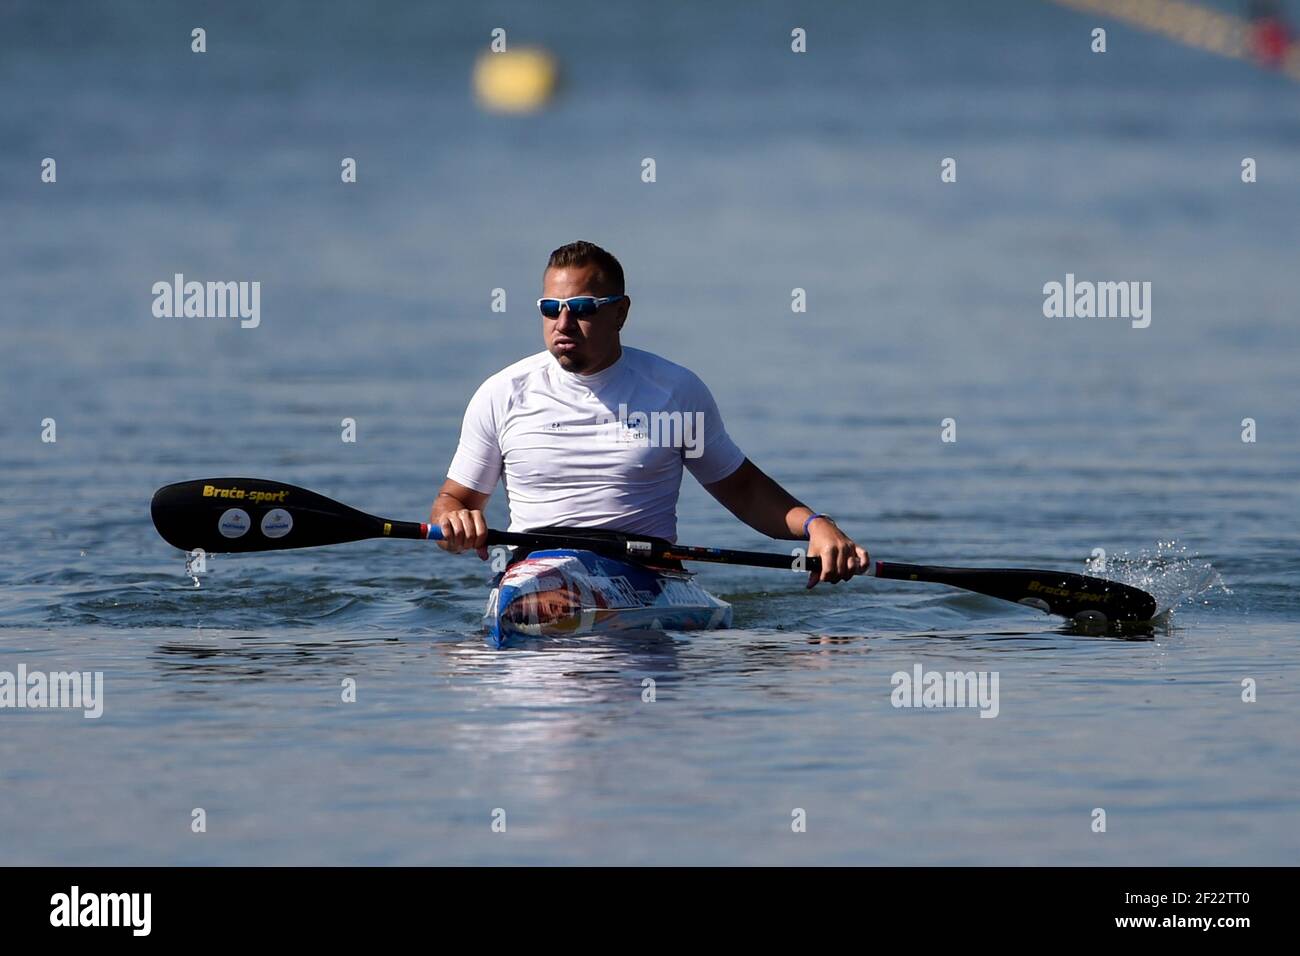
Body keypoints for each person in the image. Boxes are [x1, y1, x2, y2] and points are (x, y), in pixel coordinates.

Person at [430, 240, 868, 588]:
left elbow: (745, 490)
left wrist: (816, 525)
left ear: (620, 312)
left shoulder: (674, 391)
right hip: (534, 573)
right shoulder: (501, 393)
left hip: (647, 574)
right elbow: (452, 503)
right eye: (550, 309)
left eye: (581, 309)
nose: (562, 324)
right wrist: (454, 521)